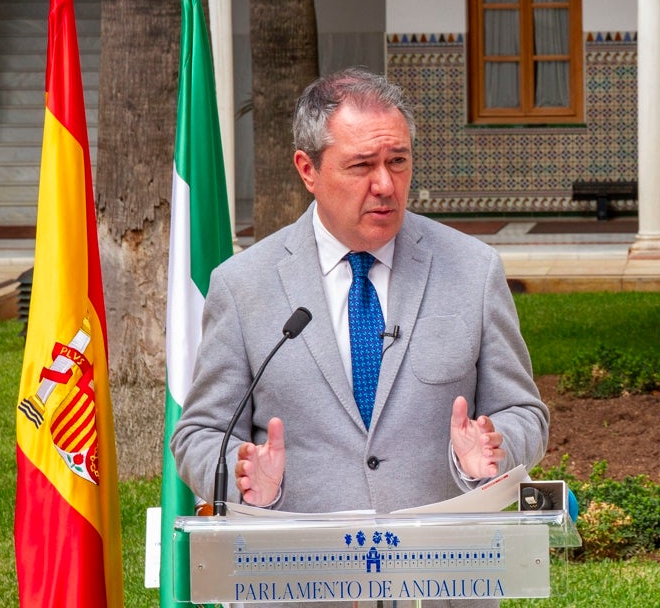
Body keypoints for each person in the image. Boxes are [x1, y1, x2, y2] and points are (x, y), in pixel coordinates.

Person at [170, 68, 549, 607]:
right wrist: (244, 476)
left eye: (398, 161)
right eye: (361, 166)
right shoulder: (243, 285)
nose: (386, 185)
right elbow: (199, 433)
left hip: (443, 584)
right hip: (295, 583)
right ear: (308, 169)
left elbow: (524, 412)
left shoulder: (472, 269)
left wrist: (493, 448)